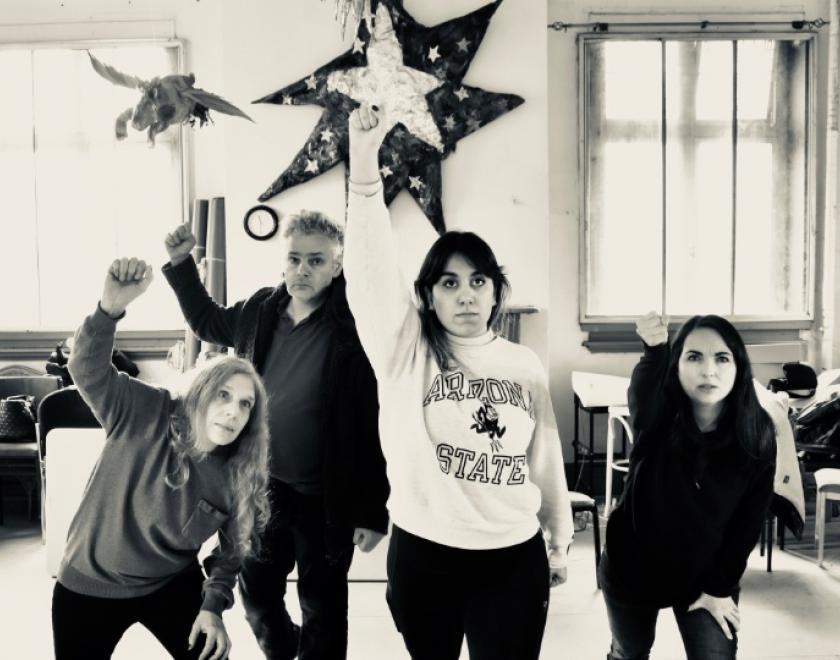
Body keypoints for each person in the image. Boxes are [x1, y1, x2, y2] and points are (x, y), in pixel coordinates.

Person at [343, 104, 573, 660]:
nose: (466, 294)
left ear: (496, 292)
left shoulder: (523, 364)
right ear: (428, 295)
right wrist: (365, 168)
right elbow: (370, 273)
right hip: (426, 553)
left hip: (513, 554)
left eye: (478, 281)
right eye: (449, 282)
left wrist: (559, 539)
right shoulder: (405, 351)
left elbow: (543, 458)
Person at [162, 211, 388, 659]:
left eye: (317, 261)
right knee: (259, 599)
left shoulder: (356, 326)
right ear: (283, 261)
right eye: (295, 258)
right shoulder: (258, 311)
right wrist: (182, 262)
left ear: (337, 266)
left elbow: (371, 424)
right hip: (263, 488)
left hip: (328, 496)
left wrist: (372, 509)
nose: (303, 269)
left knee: (323, 605)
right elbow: (206, 321)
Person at [52, 257, 271, 660]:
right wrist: (109, 308)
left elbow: (232, 551)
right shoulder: (144, 410)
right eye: (223, 395)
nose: (233, 411)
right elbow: (84, 367)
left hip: (169, 583)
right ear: (201, 392)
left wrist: (212, 606)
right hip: (88, 581)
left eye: (245, 404)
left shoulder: (240, 471)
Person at [600, 311, 777, 660]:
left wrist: (719, 587)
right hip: (633, 569)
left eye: (722, 358)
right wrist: (654, 349)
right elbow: (647, 377)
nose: (708, 371)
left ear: (739, 366)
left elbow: (748, 522)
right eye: (693, 356)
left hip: (706, 575)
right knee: (628, 653)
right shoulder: (657, 415)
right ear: (677, 366)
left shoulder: (756, 432)